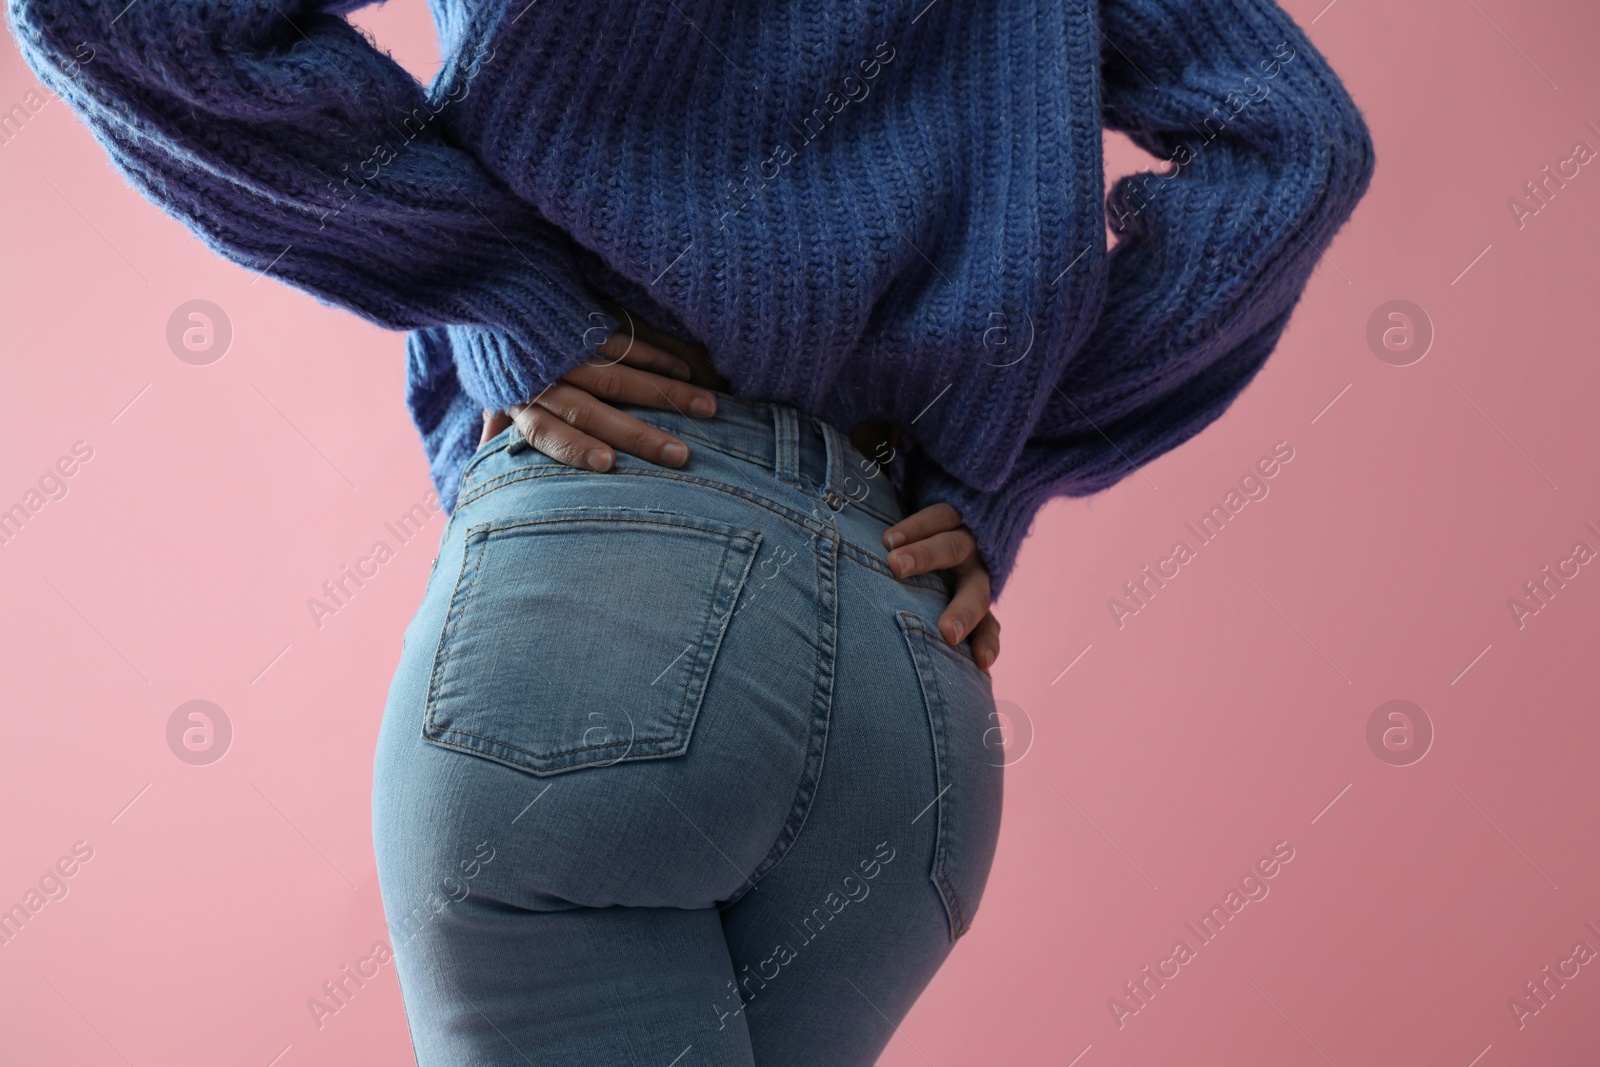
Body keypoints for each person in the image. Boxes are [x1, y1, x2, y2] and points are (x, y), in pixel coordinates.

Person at [9, 0, 1374, 1060]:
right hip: (910, 692)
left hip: (611, 598)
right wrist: (994, 467)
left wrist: (499, 288)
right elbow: (1295, 148)